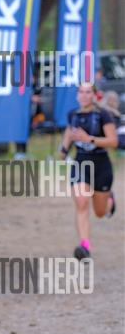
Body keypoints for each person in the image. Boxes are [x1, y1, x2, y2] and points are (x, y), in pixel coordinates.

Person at [59, 82, 118, 260]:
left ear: (94, 95)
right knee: (82, 201)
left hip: (101, 165)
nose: (84, 96)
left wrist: (89, 139)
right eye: (81, 92)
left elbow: (113, 141)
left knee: (100, 212)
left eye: (88, 92)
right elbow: (70, 132)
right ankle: (84, 246)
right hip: (81, 163)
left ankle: (109, 201)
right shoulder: (73, 114)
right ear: (77, 95)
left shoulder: (103, 115)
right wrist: (63, 151)